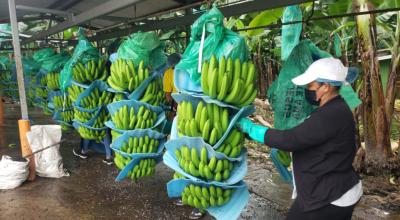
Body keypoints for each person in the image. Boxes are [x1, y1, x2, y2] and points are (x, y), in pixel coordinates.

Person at [238, 58, 362, 220]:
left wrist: (253, 130)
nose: (307, 89)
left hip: (329, 196)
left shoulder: (331, 114)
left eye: (311, 85)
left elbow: (291, 140)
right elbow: (309, 137)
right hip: (334, 186)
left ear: (325, 87)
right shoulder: (335, 108)